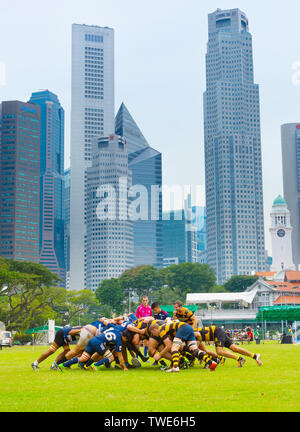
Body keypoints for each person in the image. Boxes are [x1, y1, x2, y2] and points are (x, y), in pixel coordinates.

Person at [150, 321, 218, 373]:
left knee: (174, 348)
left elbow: (168, 345)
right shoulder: (165, 328)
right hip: (189, 328)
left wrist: (159, 354)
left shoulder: (160, 329)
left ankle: (175, 367)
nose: (154, 335)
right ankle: (211, 362)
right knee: (194, 350)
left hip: (183, 328)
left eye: (153, 333)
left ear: (154, 329)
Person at [195, 325, 262, 367]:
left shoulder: (190, 334)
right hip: (217, 332)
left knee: (219, 351)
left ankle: (240, 359)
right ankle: (255, 356)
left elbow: (195, 347)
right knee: (234, 348)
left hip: (217, 333)